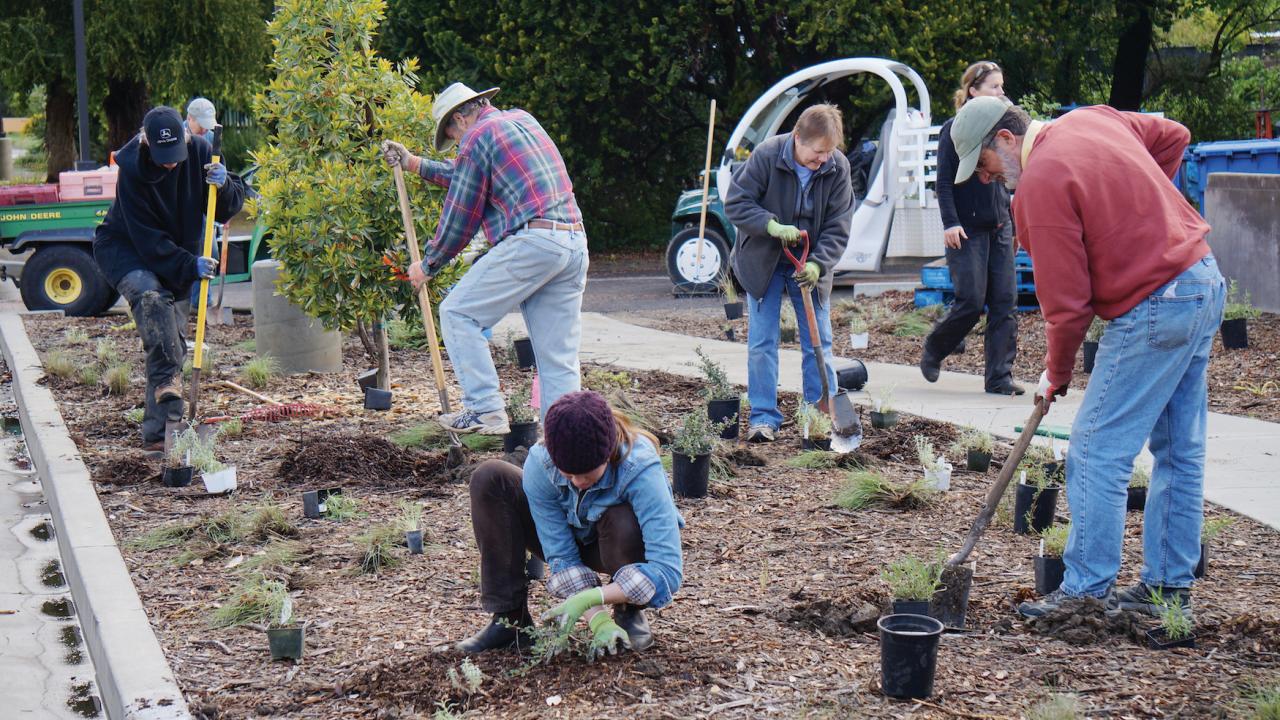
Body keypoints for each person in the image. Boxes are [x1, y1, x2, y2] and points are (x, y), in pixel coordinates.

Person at [946, 96, 1224, 618]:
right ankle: (1166, 590)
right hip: (1201, 279)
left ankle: (1086, 592)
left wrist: (1056, 373)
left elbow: (1067, 308)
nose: (987, 180)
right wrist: (1140, 213)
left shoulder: (1039, 185)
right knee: (1179, 450)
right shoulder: (1092, 119)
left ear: (1005, 140)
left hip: (1156, 302)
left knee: (1096, 449)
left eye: (982, 167)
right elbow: (1176, 134)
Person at [381, 82, 587, 435]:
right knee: (558, 360)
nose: (458, 142)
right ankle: (565, 448)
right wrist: (413, 163)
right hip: (572, 242)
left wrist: (428, 265)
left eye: (453, 134)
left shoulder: (477, 139)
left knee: (458, 312)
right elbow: (465, 174)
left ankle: (484, 410)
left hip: (534, 242)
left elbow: (461, 213)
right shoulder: (522, 121)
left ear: (461, 118)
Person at [456, 390, 684, 656]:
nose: (576, 482)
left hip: (613, 543)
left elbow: (667, 570)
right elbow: (562, 555)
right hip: (569, 536)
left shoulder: (640, 466)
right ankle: (511, 623)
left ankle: (628, 612)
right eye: (568, 474)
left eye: (587, 474)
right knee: (491, 477)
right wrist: (597, 619)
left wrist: (594, 598)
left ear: (607, 453)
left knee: (623, 520)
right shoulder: (542, 463)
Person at [93, 106, 244, 454]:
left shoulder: (201, 151)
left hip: (175, 252)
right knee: (151, 299)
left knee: (170, 342)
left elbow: (224, 209)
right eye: (164, 158)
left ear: (187, 137)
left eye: (176, 156)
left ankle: (160, 437)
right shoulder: (130, 169)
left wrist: (226, 186)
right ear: (146, 142)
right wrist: (189, 265)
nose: (171, 164)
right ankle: (165, 395)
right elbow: (146, 239)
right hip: (127, 248)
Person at [724, 103, 854, 442]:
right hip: (764, 260)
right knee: (762, 342)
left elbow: (839, 225)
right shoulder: (767, 156)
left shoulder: (837, 167)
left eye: (829, 152)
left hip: (808, 265)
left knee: (819, 343)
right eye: (817, 152)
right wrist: (769, 225)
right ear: (797, 138)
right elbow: (736, 203)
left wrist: (818, 263)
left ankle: (818, 418)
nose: (823, 159)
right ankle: (764, 418)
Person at [920, 61, 1023, 395]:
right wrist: (950, 223)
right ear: (973, 91)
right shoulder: (957, 130)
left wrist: (1015, 225)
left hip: (999, 226)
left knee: (1006, 302)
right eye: (994, 86)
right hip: (966, 230)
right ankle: (935, 348)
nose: (1001, 92)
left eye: (1002, 86)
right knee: (971, 301)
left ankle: (999, 377)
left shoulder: (1000, 135)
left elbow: (1009, 180)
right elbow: (944, 183)